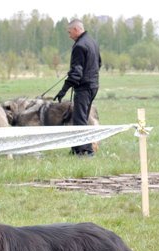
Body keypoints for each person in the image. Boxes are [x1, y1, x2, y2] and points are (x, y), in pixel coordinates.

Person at [54, 19, 101, 157]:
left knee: (80, 120)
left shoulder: (79, 46)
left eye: (69, 32)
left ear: (76, 29)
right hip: (93, 86)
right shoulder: (92, 42)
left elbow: (76, 73)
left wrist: (63, 90)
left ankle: (86, 151)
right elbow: (99, 63)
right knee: (81, 117)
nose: (69, 36)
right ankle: (76, 149)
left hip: (84, 88)